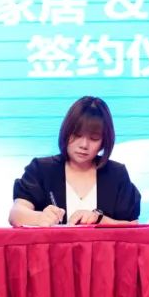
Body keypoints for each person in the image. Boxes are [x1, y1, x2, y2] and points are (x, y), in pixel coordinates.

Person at [9, 96, 141, 226]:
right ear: (66, 132)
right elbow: (16, 214)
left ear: (104, 141)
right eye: (77, 135)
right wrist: (39, 218)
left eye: (94, 138)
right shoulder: (41, 169)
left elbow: (132, 225)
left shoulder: (117, 174)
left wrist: (99, 220)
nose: (84, 145)